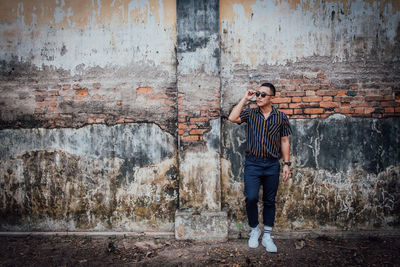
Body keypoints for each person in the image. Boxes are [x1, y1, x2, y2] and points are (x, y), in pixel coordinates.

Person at [228, 82, 292, 253]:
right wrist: (245, 98)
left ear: (272, 97)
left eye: (263, 94)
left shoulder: (281, 117)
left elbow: (285, 140)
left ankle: (267, 236)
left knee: (270, 201)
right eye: (258, 94)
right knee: (251, 197)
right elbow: (232, 118)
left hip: (272, 164)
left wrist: (286, 164)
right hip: (253, 163)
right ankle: (255, 229)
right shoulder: (250, 113)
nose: (259, 97)